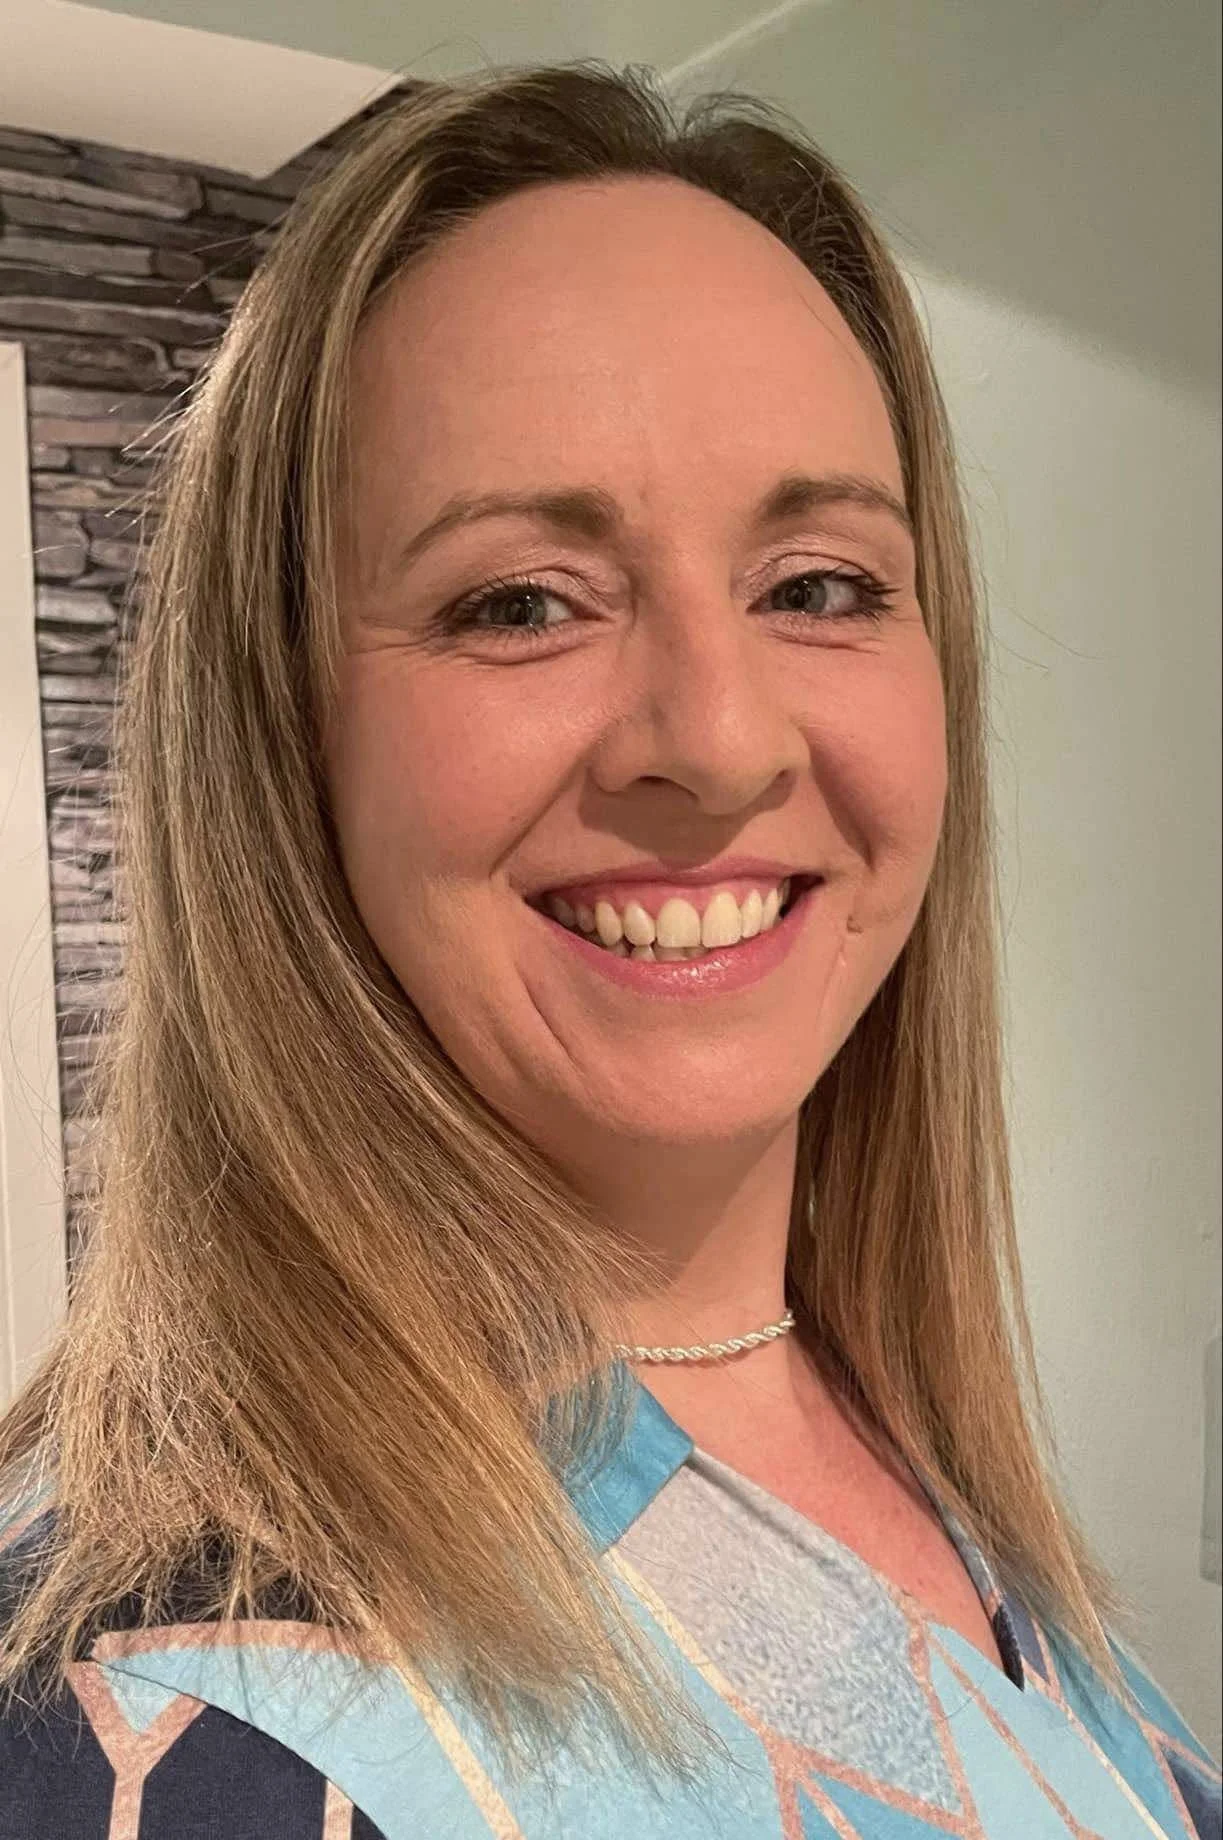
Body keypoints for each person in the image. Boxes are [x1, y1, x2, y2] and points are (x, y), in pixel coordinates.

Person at [0, 60, 1218, 1840]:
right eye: (519, 602)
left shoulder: (903, 1437)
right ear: (280, 743)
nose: (720, 740)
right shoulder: (165, 1721)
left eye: (818, 584)